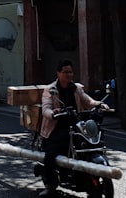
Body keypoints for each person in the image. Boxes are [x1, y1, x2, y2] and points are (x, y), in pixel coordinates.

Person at [37, 59, 106, 197]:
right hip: (56, 127)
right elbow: (46, 108)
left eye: (71, 72)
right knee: (50, 155)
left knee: (92, 144)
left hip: (76, 126)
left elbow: (88, 101)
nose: (69, 74)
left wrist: (99, 104)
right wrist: (53, 113)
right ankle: (50, 185)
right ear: (58, 73)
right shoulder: (51, 90)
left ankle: (86, 177)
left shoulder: (76, 88)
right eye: (65, 72)